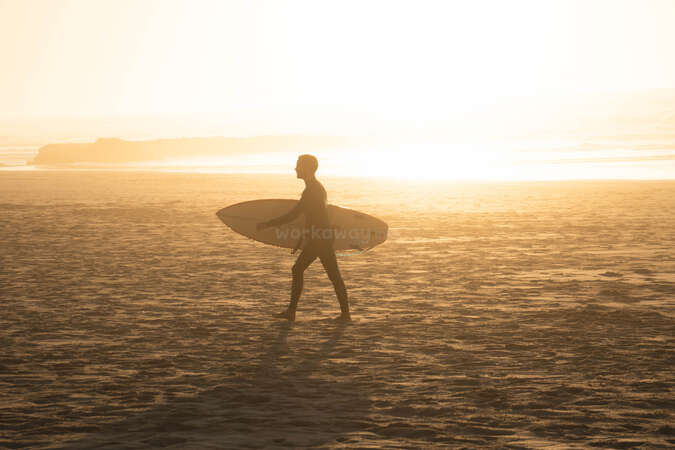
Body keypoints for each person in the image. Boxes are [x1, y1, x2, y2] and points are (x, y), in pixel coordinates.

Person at [257, 155, 351, 322]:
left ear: (307, 168)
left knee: (305, 270)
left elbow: (294, 214)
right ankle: (343, 314)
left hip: (320, 238)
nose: (295, 169)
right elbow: (315, 216)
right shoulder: (316, 188)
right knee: (327, 274)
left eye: (298, 166)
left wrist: (268, 224)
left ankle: (294, 312)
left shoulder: (312, 191)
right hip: (321, 237)